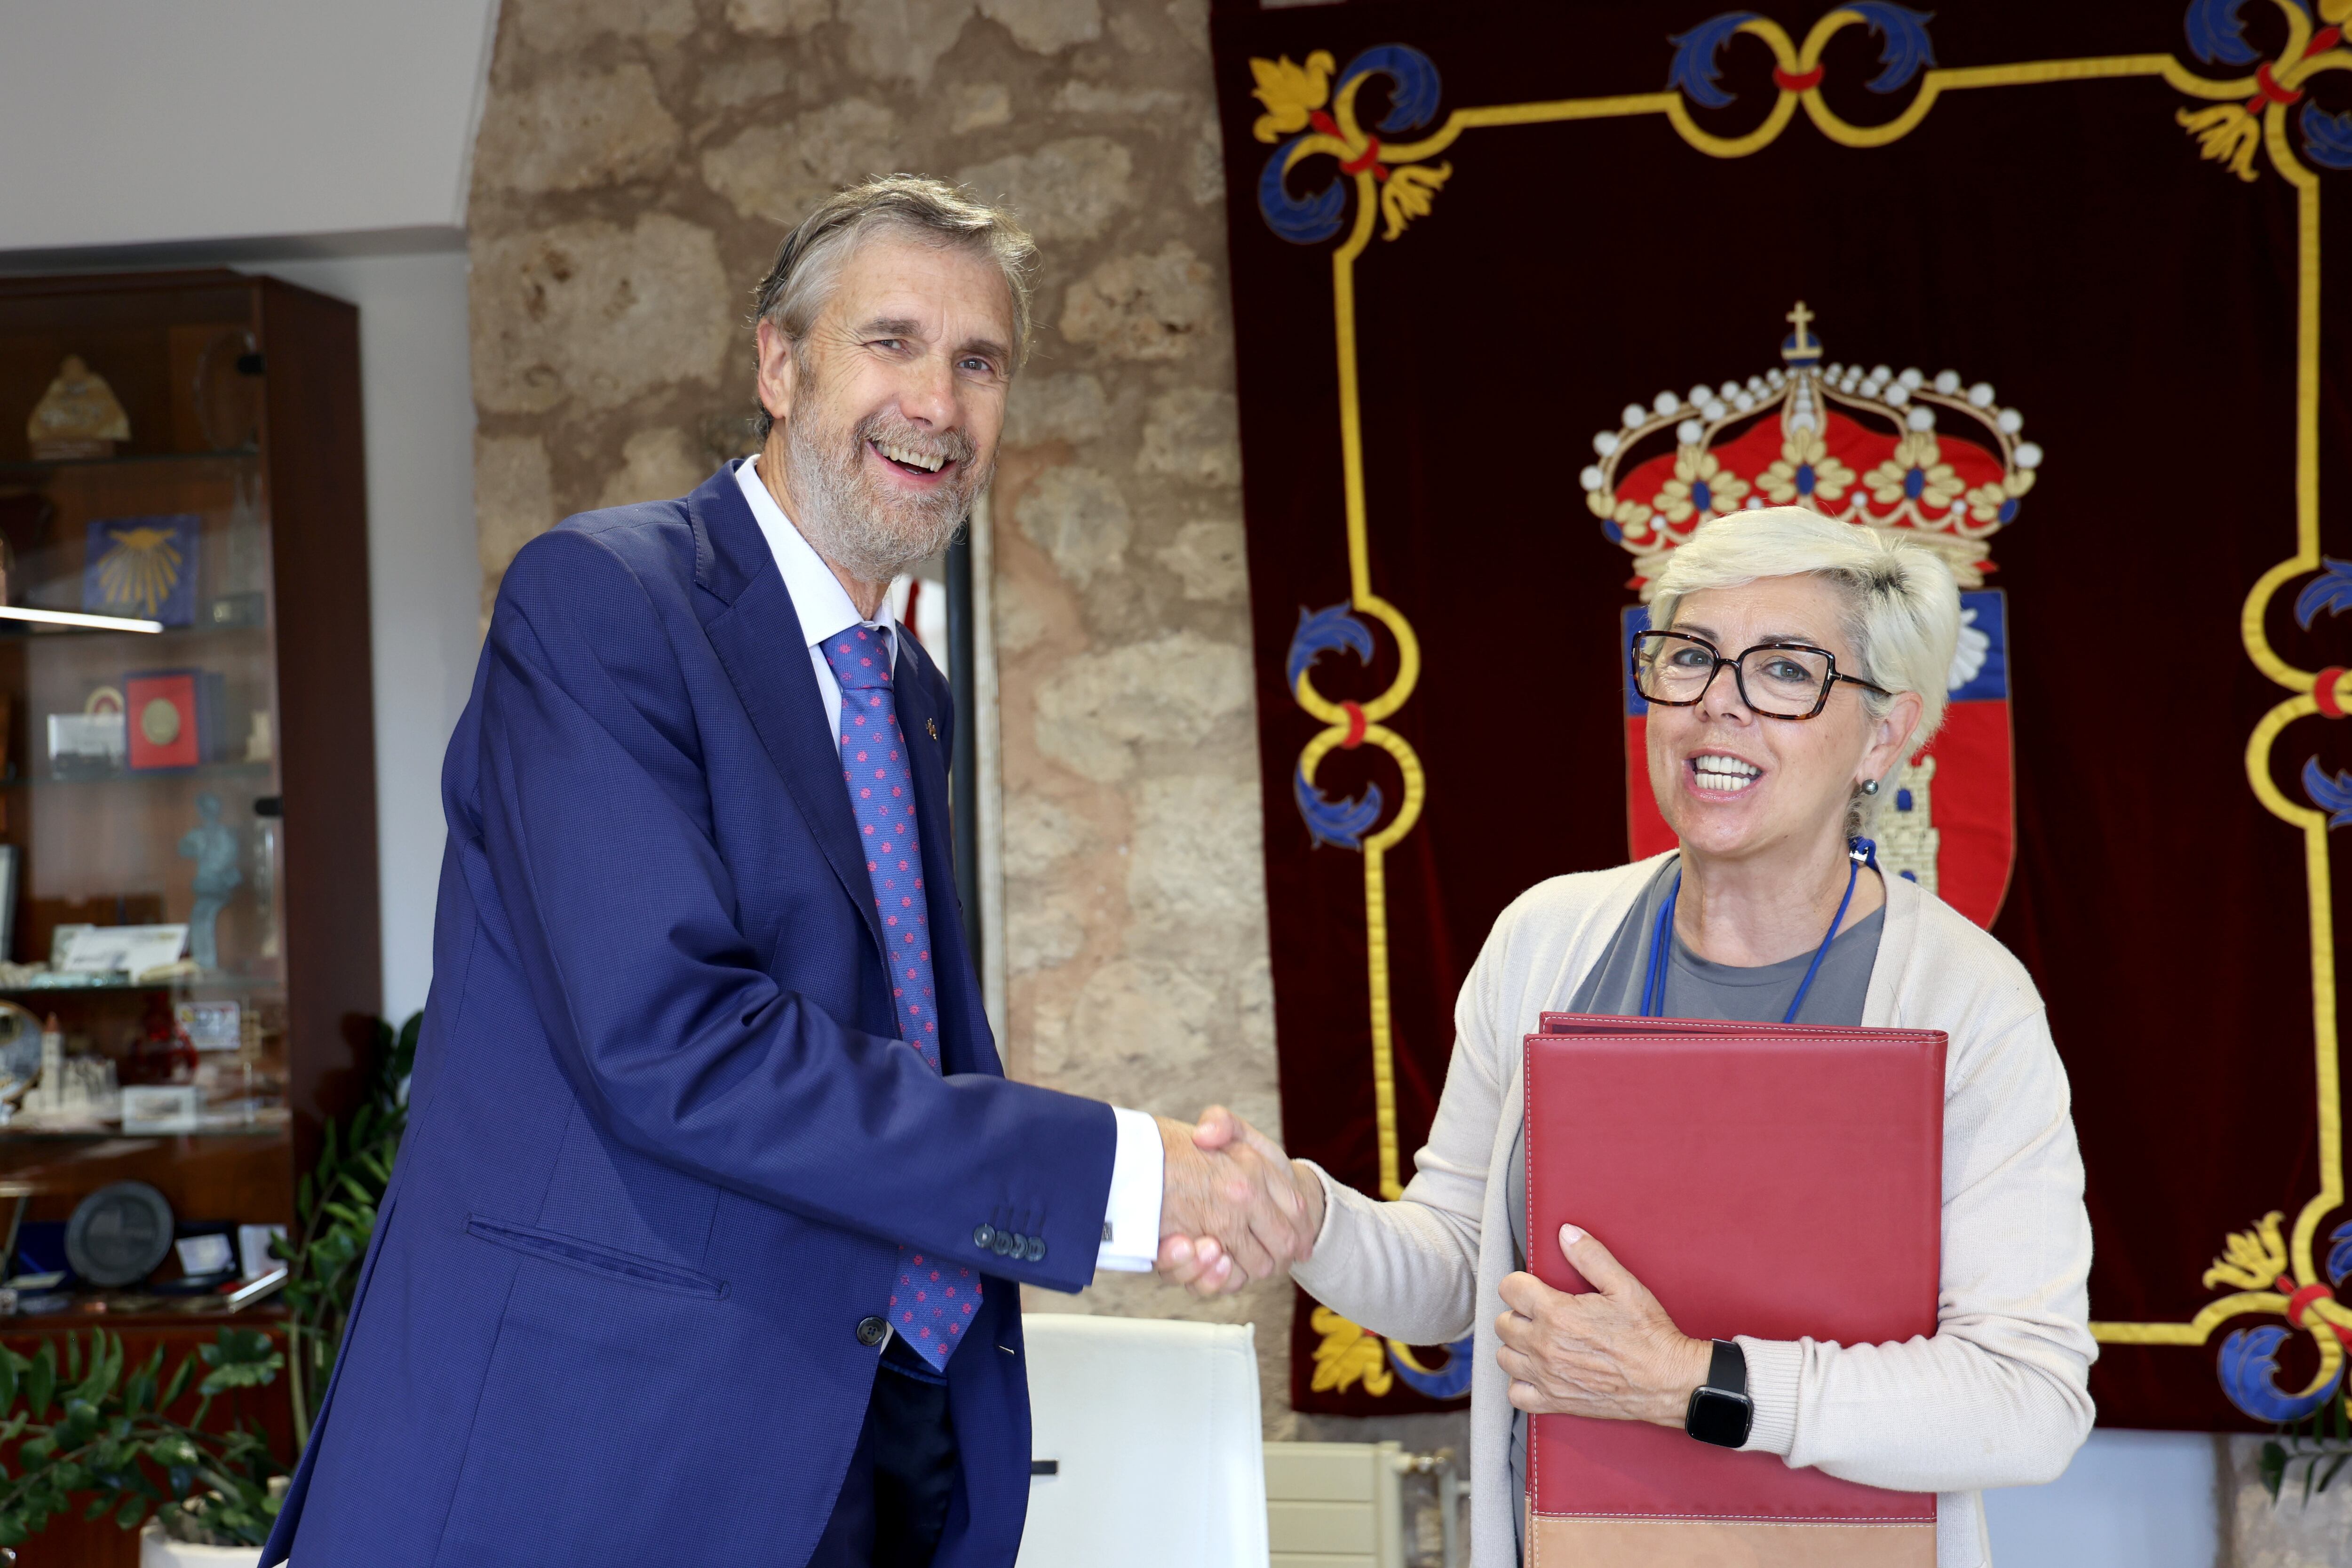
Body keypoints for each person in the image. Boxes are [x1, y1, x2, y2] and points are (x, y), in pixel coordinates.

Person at [262, 176, 1311, 1568]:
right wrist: (1127, 1174)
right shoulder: (602, 601)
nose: (936, 402)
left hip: (870, 1432)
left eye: (979, 361)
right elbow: (681, 1046)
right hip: (603, 1458)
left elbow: (881, 1049)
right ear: (777, 361)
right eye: (890, 341)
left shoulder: (903, 691)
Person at [1161, 507, 2095, 1568]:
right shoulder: (1546, 939)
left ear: (1882, 733)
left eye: (1783, 671)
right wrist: (1306, 1217)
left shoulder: (1967, 999)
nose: (1714, 708)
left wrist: (1687, 1379)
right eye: (1688, 657)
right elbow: (1461, 1271)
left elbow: (2026, 1399)